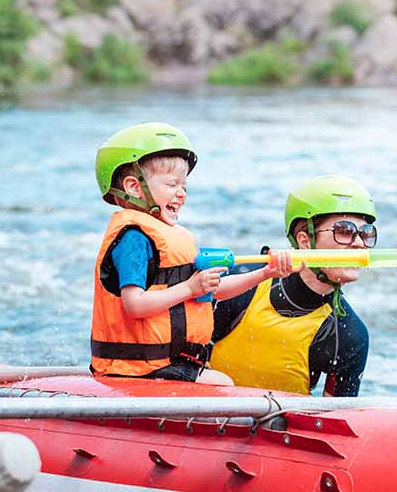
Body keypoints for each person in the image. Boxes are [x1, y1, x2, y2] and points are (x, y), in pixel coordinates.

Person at [91, 122, 291, 383]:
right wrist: (190, 288)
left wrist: (266, 273)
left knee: (220, 379)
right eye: (172, 184)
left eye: (184, 186)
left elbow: (214, 290)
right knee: (223, 383)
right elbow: (135, 304)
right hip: (136, 369)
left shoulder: (166, 238)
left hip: (166, 364)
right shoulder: (134, 239)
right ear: (134, 187)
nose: (181, 194)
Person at [211, 175, 376, 396]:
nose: (359, 243)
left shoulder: (349, 335)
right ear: (305, 241)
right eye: (344, 231)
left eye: (365, 234)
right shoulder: (239, 285)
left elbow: (332, 422)